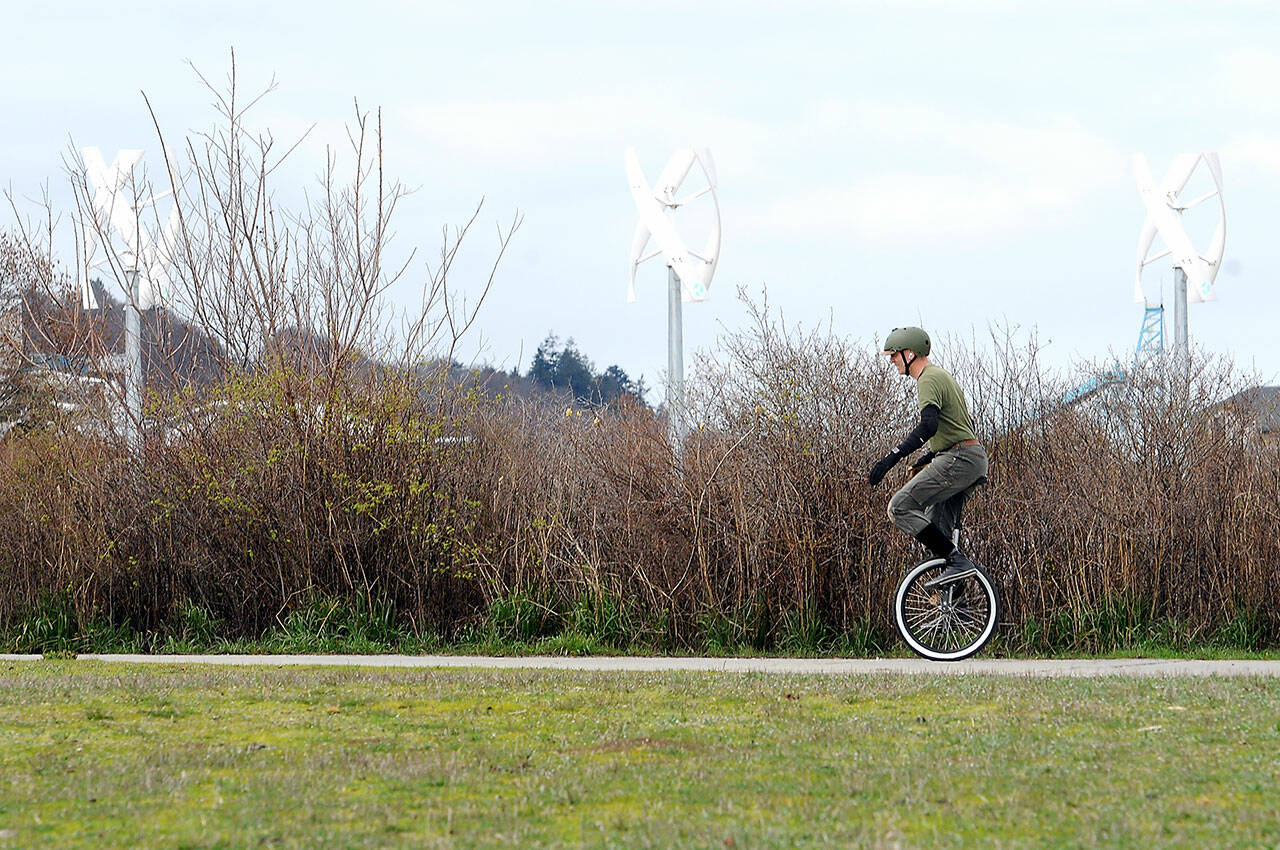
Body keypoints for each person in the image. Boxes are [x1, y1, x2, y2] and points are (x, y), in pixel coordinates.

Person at [867, 327, 989, 584]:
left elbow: (928, 425)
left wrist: (891, 458)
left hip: (960, 458)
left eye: (894, 355)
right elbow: (955, 425)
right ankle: (959, 605)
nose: (891, 361)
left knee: (899, 507)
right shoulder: (941, 376)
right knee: (937, 530)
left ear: (910, 354)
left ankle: (958, 562)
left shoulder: (928, 379)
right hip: (967, 456)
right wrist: (929, 455)